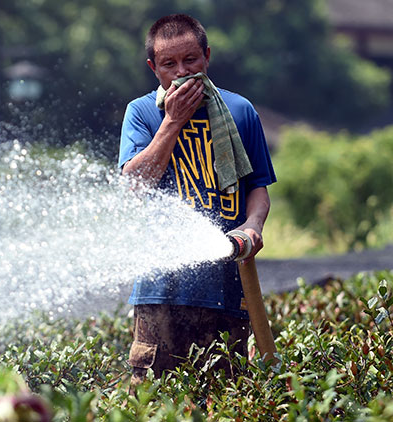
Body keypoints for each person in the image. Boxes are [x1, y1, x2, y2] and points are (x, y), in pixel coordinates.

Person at [118, 14, 277, 389]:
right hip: (160, 293)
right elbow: (134, 185)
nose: (181, 72)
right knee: (152, 402)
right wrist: (173, 121)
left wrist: (252, 227)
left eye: (190, 60)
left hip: (227, 288)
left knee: (226, 400)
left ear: (207, 56)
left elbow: (257, 188)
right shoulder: (141, 113)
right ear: (152, 68)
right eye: (169, 64)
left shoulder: (240, 111)